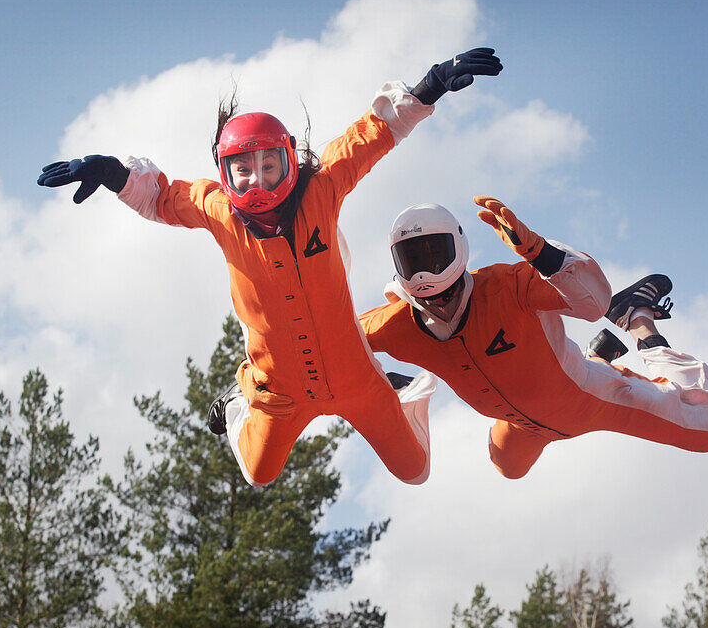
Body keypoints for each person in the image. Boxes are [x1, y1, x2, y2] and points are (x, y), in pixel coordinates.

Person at [36, 49, 502, 487]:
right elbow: (162, 197)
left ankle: (396, 388)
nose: (256, 180)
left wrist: (430, 85)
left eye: (269, 165)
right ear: (225, 171)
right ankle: (243, 396)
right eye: (243, 169)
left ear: (289, 160)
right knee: (259, 474)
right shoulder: (219, 210)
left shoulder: (321, 189)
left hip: (354, 377)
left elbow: (369, 136)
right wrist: (113, 173)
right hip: (278, 389)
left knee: (415, 470)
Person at [350, 197, 708, 479]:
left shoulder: (508, 284)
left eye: (435, 256)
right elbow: (330, 344)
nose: (427, 274)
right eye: (413, 260)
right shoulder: (392, 323)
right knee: (508, 468)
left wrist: (544, 255)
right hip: (520, 424)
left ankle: (637, 318)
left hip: (586, 398)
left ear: (459, 251)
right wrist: (388, 386)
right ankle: (598, 354)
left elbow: (594, 303)